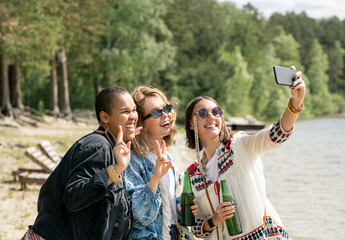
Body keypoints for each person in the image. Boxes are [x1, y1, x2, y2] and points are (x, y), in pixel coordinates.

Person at [184, 67, 306, 239]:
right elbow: (195, 226)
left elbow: (276, 135)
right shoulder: (192, 174)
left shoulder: (239, 145)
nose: (211, 117)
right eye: (203, 113)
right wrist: (215, 219)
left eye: (216, 112)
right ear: (191, 123)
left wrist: (295, 104)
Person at [21, 86, 139, 240]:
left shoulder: (111, 147)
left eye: (134, 110)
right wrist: (116, 170)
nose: (133, 117)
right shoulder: (98, 147)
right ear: (105, 117)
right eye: (125, 112)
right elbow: (73, 196)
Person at [124, 86, 197, 240]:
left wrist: (181, 206)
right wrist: (155, 178)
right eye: (157, 113)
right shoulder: (132, 160)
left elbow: (166, 209)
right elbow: (140, 215)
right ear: (141, 123)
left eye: (167, 108)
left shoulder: (169, 158)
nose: (166, 115)